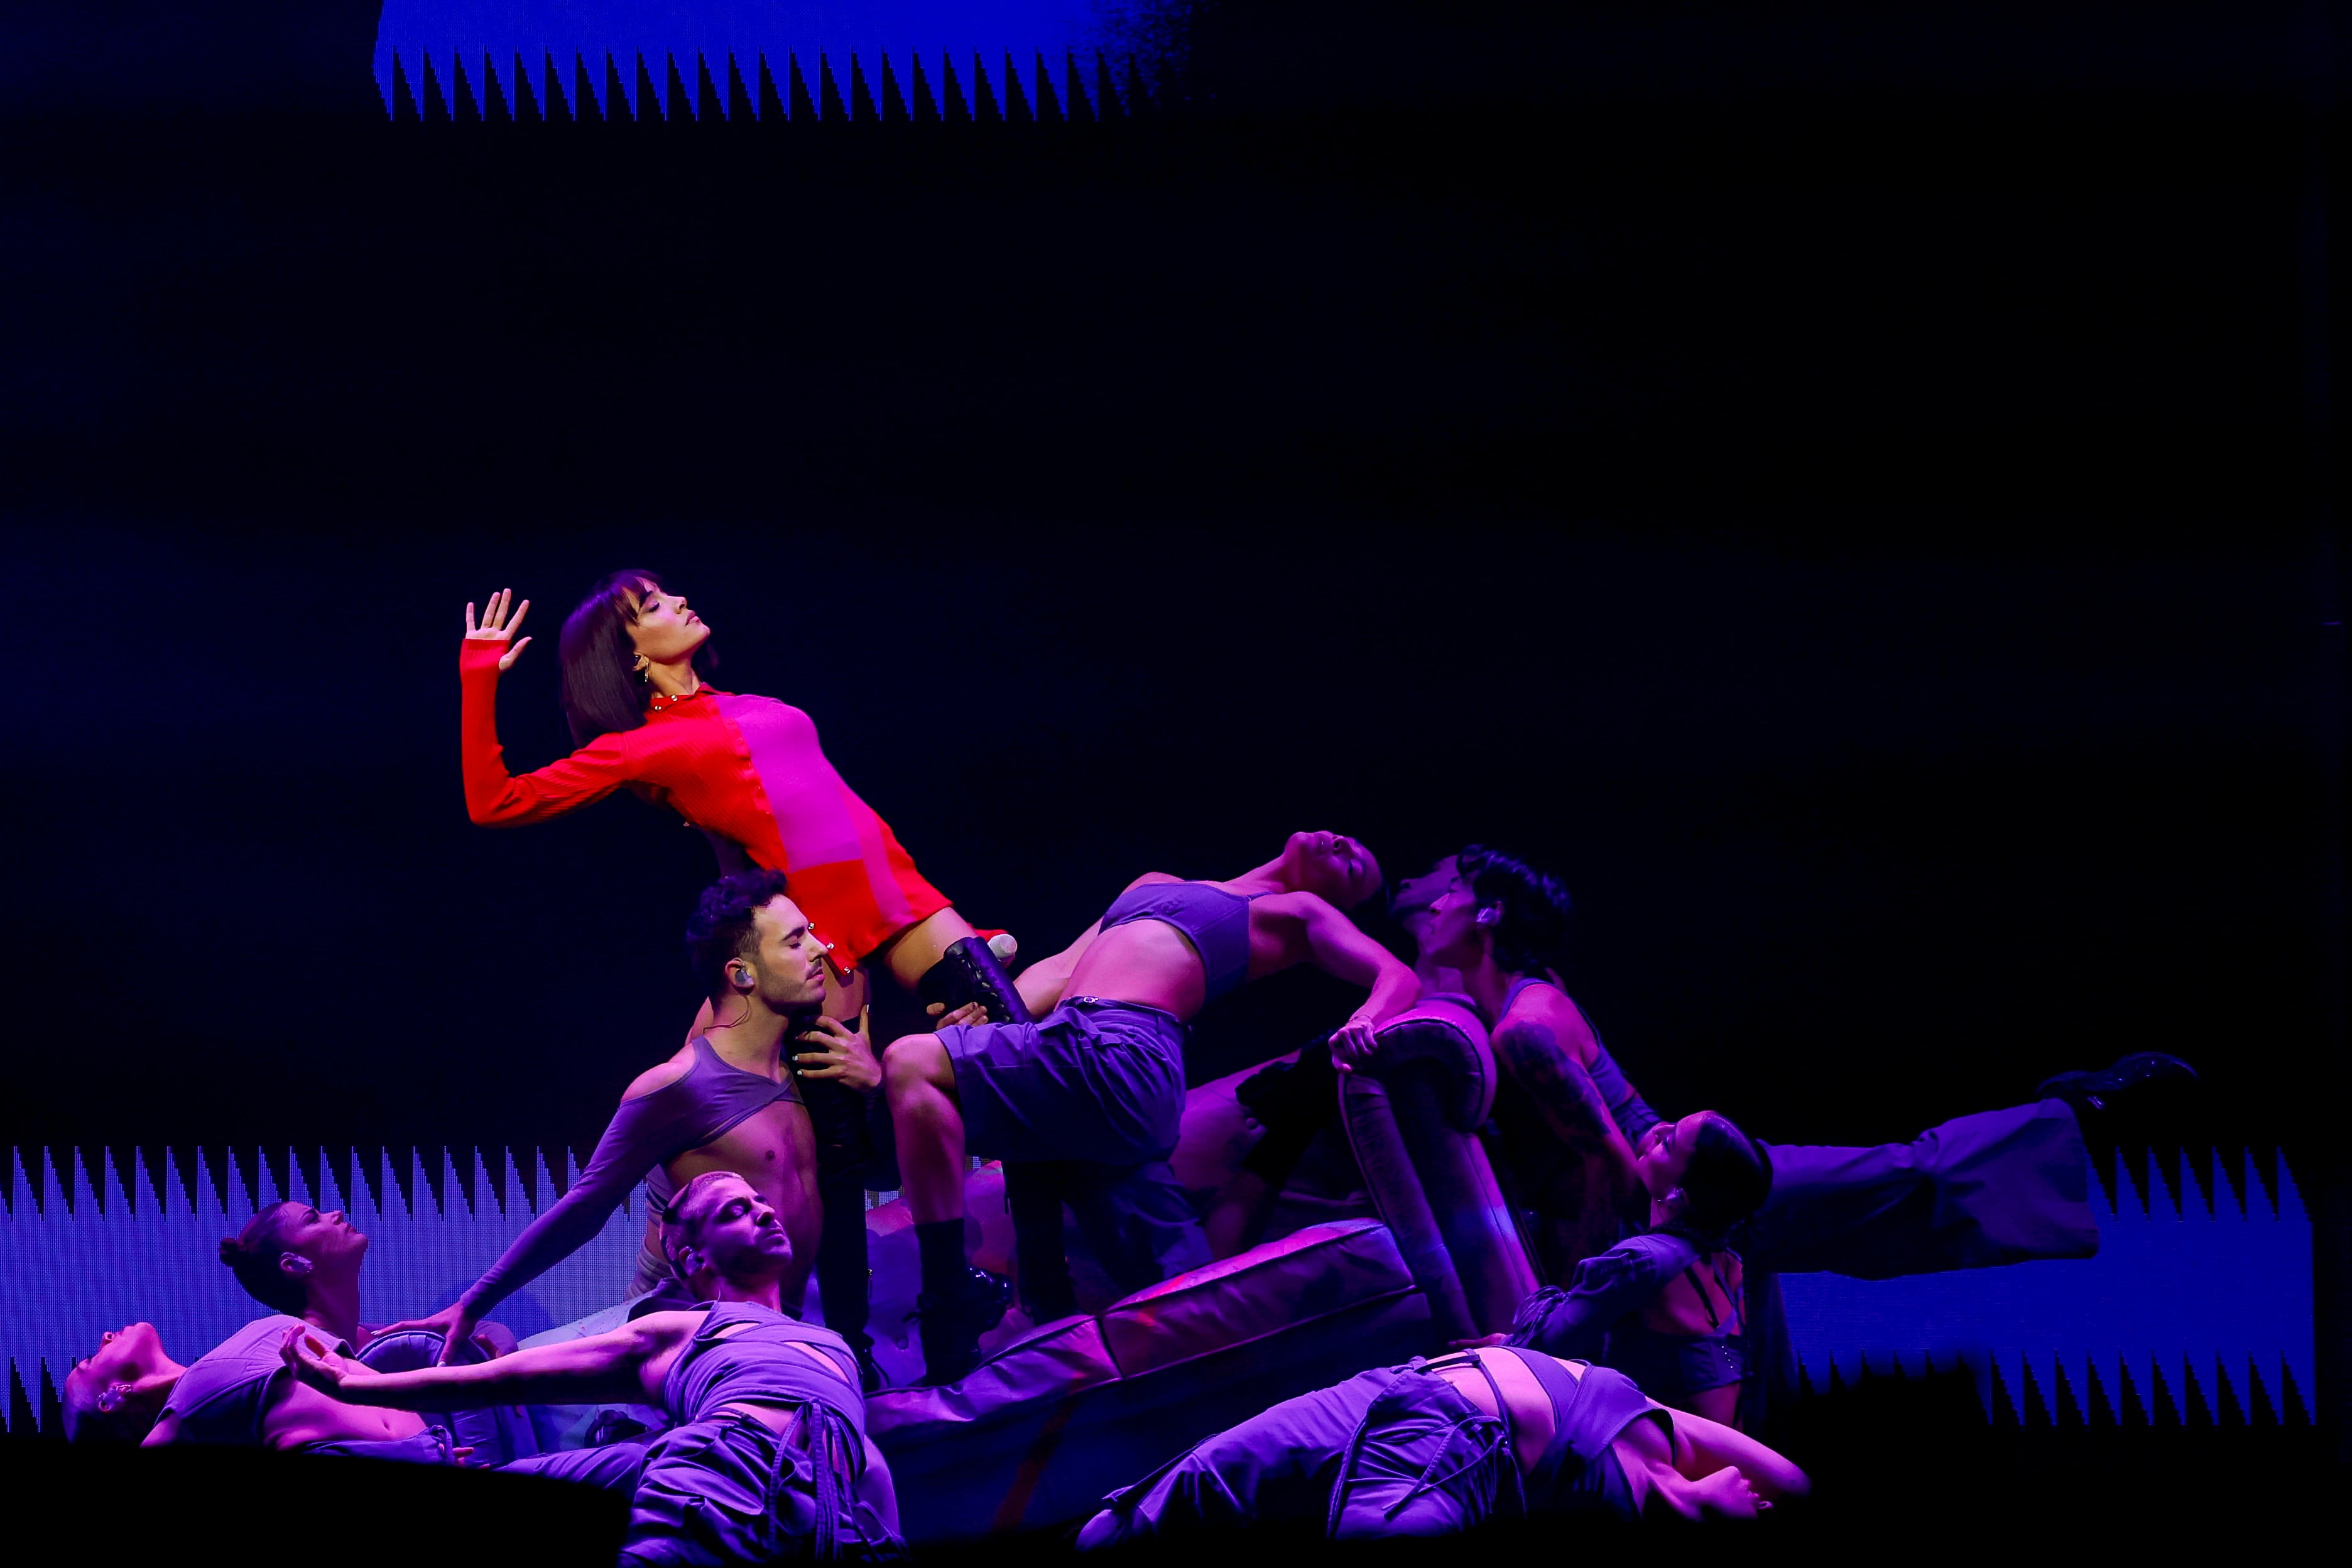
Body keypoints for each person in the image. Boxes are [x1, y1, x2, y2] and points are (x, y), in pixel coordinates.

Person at [457, 575, 1031, 1370]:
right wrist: (479, 676)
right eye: (652, 607)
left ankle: (1008, 1284)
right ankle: (853, 1348)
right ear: (627, 656)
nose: (679, 602)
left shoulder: (750, 703)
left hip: (906, 898)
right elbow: (495, 802)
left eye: (666, 593)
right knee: (834, 1161)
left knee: (1027, 1066)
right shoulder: (642, 744)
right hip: (822, 939)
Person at [884, 831, 1418, 1384]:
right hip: (1070, 1047)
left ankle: (948, 1296)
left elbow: (1397, 975)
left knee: (908, 1064)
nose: (1345, 845)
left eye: (1357, 868)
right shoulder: (1155, 883)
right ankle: (1237, 1400)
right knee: (1185, 1291)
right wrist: (976, 1028)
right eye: (1349, 840)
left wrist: (1365, 1020)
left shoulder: (1296, 911)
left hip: (1122, 1050)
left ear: (1340, 904)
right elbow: (1062, 970)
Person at [381, 872, 923, 1391]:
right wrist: (472, 1304)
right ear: (742, 975)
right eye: (795, 941)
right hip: (704, 1344)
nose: (818, 951)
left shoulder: (806, 1072)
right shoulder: (679, 1085)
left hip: (782, 1331)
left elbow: (877, 1173)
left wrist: (880, 1085)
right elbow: (585, 1206)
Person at [280, 1171, 903, 1564]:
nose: (764, 1212)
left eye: (759, 1200)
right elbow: (505, 1378)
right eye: (733, 1212)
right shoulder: (681, 1328)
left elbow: (864, 1459)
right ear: (690, 1258)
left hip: (830, 1515)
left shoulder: (833, 1345)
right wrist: (360, 1384)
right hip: (719, 1477)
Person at [1074, 1342, 1807, 1542]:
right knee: (1165, 1500)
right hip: (1397, 1388)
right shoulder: (1668, 1439)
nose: (1759, 1500)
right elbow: (1794, 1482)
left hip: (1439, 1457)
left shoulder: (1619, 1507)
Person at [1494, 1109, 1774, 1427]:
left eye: (1669, 1142)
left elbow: (1546, 1346)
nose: (1659, 1129)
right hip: (1724, 1450)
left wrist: (1498, 1347)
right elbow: (1723, 1359)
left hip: (1664, 1458)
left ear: (1678, 1193)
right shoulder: (1730, 1266)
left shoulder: (1643, 1261)